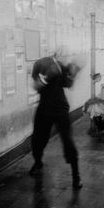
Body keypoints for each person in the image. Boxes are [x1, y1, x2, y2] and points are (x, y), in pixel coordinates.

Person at [29, 47, 84, 189]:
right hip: (44, 107)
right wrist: (47, 77)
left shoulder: (64, 67)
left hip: (60, 108)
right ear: (56, 53)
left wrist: (74, 73)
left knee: (68, 140)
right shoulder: (41, 64)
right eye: (63, 54)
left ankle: (76, 175)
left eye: (67, 55)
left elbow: (69, 85)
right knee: (38, 138)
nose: (66, 58)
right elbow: (36, 86)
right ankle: (37, 162)